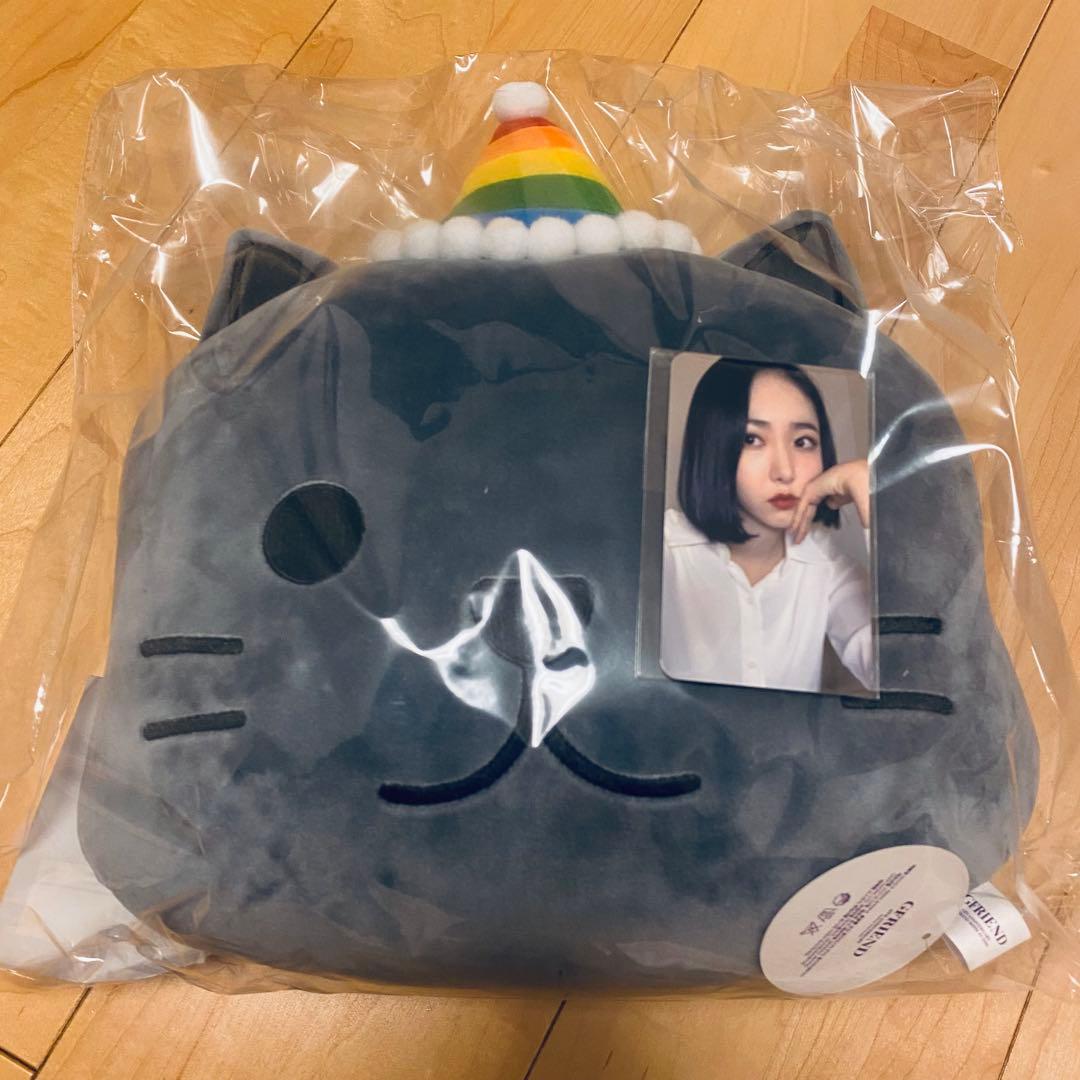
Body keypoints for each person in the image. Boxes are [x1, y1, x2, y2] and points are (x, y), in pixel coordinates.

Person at [660, 358, 874, 693]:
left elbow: (904, 672)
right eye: (752, 439)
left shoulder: (827, 568)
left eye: (803, 442)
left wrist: (868, 490)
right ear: (713, 446)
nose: (785, 471)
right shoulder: (660, 551)